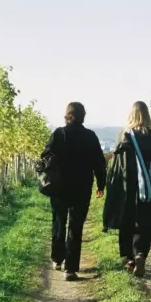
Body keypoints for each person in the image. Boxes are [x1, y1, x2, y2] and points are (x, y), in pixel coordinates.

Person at [42, 102, 106, 281]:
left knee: (58, 221)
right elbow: (99, 164)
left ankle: (57, 258)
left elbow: (45, 156)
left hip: (59, 186)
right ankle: (70, 269)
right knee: (76, 227)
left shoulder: (59, 134)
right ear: (83, 115)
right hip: (82, 187)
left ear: (67, 115)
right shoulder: (91, 136)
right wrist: (101, 185)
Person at [114, 101, 151, 277]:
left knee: (128, 222)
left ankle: (129, 259)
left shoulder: (125, 135)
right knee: (149, 224)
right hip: (150, 187)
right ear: (147, 115)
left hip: (129, 187)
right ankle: (140, 254)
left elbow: (119, 163)